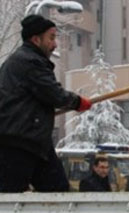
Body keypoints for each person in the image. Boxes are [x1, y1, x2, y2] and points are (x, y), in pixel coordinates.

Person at [0, 15, 92, 193]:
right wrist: (78, 102)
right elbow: (54, 93)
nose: (55, 44)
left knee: (57, 191)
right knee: (9, 198)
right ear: (36, 39)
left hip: (33, 142)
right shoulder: (29, 61)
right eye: (51, 38)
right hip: (17, 143)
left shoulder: (20, 61)